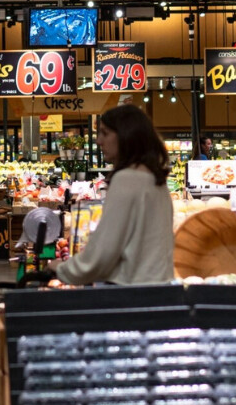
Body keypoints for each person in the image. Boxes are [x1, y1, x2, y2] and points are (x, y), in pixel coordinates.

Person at [46, 104, 174, 285]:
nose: (98, 141)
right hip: (158, 293)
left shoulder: (127, 179)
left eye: (105, 133)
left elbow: (103, 253)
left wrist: (63, 269)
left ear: (126, 136)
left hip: (131, 297)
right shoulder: (154, 180)